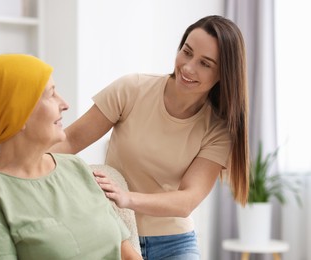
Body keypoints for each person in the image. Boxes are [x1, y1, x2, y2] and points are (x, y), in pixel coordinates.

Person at [50, 15, 249, 259]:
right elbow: (70, 141)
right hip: (115, 234)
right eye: (187, 52)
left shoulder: (218, 129)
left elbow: (186, 200)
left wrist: (127, 198)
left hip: (174, 243)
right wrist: (15, 163)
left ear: (223, 74)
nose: (188, 67)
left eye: (205, 64)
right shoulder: (132, 89)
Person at [0, 54, 142, 260]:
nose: (64, 104)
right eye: (51, 94)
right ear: (19, 113)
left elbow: (127, 254)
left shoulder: (76, 168)